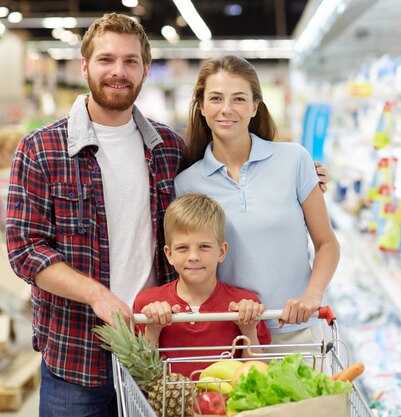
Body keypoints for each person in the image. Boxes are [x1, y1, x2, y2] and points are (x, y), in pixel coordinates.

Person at [4, 13, 184, 417]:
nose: (118, 71)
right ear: (84, 66)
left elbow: (212, 197)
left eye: (130, 61)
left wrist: (294, 177)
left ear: (145, 69)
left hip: (156, 354)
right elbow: (24, 250)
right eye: (106, 60)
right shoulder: (41, 149)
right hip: (75, 356)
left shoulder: (169, 148)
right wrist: (97, 295)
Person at [174, 55, 340, 349]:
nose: (226, 109)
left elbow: (326, 243)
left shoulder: (294, 160)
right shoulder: (187, 183)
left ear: (254, 107)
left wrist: (312, 295)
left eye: (239, 99)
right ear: (201, 107)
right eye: (215, 98)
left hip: (298, 332)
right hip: (229, 337)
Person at [133, 193, 271, 377]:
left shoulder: (244, 303)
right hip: (166, 405)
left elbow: (258, 375)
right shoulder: (148, 303)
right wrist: (153, 330)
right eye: (182, 248)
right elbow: (140, 378)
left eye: (204, 247)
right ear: (169, 254)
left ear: (221, 252)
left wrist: (248, 330)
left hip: (226, 404)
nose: (193, 256)